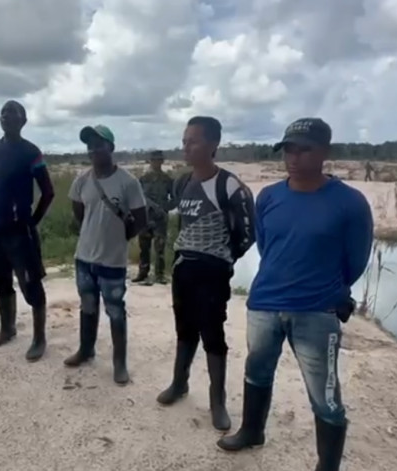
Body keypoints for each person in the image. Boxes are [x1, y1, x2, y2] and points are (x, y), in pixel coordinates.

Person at [217, 118, 373, 471]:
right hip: (266, 302)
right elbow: (268, 247)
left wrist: (330, 291)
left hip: (317, 312)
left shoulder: (349, 202)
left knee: (325, 396)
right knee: (257, 371)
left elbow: (356, 260)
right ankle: (252, 431)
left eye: (303, 149)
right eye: (288, 149)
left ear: (324, 152)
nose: (293, 157)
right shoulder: (269, 196)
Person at [155, 116, 256, 432]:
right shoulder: (182, 183)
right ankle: (179, 383)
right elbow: (182, 225)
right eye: (184, 140)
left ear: (213, 145)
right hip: (184, 267)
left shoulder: (230, 186)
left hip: (213, 271)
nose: (186, 147)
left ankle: (217, 401)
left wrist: (223, 260)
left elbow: (248, 234)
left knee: (213, 334)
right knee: (184, 329)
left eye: (193, 141)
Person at [65, 125, 148, 385]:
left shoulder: (128, 182)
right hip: (84, 259)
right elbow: (79, 213)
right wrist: (93, 233)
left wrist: (119, 238)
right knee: (87, 306)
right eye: (89, 144)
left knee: (115, 311)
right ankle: (86, 350)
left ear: (110, 147)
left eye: (98, 143)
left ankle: (119, 364)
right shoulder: (81, 180)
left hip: (112, 261)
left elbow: (141, 220)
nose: (93, 149)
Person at [0, 101, 56, 362]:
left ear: (23, 121)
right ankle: (7, 328)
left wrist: (32, 221)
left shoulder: (31, 152)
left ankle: (39, 339)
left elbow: (48, 192)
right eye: (3, 113)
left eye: (13, 115)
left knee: (30, 283)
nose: (7, 118)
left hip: (21, 231)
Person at [132, 150, 174, 286]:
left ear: (162, 161)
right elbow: (137, 197)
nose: (156, 162)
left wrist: (164, 208)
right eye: (154, 160)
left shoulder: (167, 180)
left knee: (160, 248)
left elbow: (175, 198)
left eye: (158, 160)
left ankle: (160, 275)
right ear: (150, 161)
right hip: (145, 217)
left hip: (160, 219)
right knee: (144, 247)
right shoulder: (143, 179)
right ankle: (143, 273)